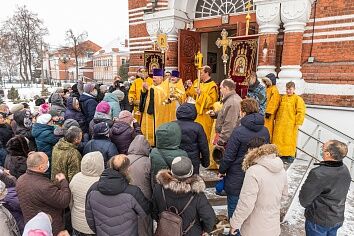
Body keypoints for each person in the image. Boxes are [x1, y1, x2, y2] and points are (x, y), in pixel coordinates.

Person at [218, 98, 270, 218]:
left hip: (237, 175)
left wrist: (222, 171)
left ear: (243, 112)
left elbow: (229, 156)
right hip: (257, 175)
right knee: (251, 211)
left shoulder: (239, 131)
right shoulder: (265, 131)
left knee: (235, 210)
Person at [229, 144, 288, 236]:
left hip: (254, 227)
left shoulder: (253, 171)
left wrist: (235, 223)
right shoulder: (282, 171)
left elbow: (246, 203)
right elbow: (284, 196)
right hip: (273, 226)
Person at [85, 154, 151, 236]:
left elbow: (90, 219)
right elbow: (146, 211)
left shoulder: (93, 189)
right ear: (127, 169)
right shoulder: (133, 192)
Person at [152, 156, 216, 236]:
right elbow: (209, 218)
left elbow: (154, 212)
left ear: (171, 171)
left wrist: (166, 223)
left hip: (166, 231)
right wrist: (206, 230)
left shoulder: (159, 188)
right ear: (191, 172)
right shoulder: (197, 194)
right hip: (191, 232)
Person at [299, 140, 351, 236]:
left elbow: (304, 200)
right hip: (337, 218)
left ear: (328, 154)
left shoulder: (318, 173)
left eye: (323, 147)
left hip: (319, 221)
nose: (321, 148)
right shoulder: (345, 169)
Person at [16, 152, 71, 236]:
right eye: (47, 161)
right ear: (40, 167)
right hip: (50, 227)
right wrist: (63, 181)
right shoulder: (43, 186)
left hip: (32, 224)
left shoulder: (20, 179)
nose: (48, 163)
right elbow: (64, 201)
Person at [69, 151, 104, 236]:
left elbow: (70, 202)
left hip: (77, 222)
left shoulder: (76, 177)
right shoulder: (102, 182)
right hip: (95, 225)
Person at [272, 81, 306, 162]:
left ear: (294, 89)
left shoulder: (298, 99)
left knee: (289, 140)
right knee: (279, 139)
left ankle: (290, 155)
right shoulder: (282, 98)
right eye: (287, 89)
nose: (288, 91)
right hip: (280, 123)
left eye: (290, 89)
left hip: (291, 124)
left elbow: (301, 111)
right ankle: (279, 153)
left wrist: (298, 122)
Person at [127, 135, 153, 236]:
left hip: (128, 197)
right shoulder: (148, 162)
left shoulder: (124, 159)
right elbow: (152, 183)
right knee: (145, 226)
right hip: (144, 198)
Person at [185, 65, 218, 143]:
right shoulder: (197, 82)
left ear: (207, 73)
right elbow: (193, 96)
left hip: (205, 116)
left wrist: (201, 94)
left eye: (201, 73)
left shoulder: (212, 86)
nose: (199, 74)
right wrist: (190, 87)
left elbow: (211, 102)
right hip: (195, 114)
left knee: (204, 136)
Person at [140, 68, 171, 146]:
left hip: (157, 115)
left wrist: (148, 88)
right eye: (153, 77)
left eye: (155, 77)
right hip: (148, 114)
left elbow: (160, 95)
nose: (153, 79)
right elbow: (146, 95)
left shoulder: (163, 87)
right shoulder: (152, 86)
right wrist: (144, 90)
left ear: (161, 78)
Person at [175, 103, 210, 174]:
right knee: (193, 180)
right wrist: (205, 162)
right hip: (193, 161)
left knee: (177, 180)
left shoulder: (172, 125)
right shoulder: (197, 127)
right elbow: (204, 146)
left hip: (176, 159)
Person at [213, 79, 242, 155]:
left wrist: (221, 141)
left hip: (229, 140)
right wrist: (216, 114)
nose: (220, 90)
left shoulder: (232, 102)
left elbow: (230, 124)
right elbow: (227, 114)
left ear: (226, 88)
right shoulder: (231, 99)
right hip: (229, 138)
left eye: (221, 88)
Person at [262, 73, 280, 142]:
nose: (266, 83)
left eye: (267, 81)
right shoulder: (267, 88)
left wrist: (269, 112)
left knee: (268, 128)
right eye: (265, 81)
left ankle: (267, 141)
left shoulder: (274, 89)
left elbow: (274, 102)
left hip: (268, 114)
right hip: (264, 111)